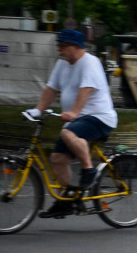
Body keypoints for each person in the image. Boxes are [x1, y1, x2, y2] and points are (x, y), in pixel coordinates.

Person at [26, 28, 118, 217]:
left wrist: (74, 112)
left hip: (99, 117)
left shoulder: (90, 63)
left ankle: (88, 170)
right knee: (57, 158)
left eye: (62, 46)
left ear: (75, 47)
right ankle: (65, 201)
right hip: (79, 119)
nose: (59, 49)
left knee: (68, 133)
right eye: (58, 45)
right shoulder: (62, 63)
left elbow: (86, 89)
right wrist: (38, 110)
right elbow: (51, 88)